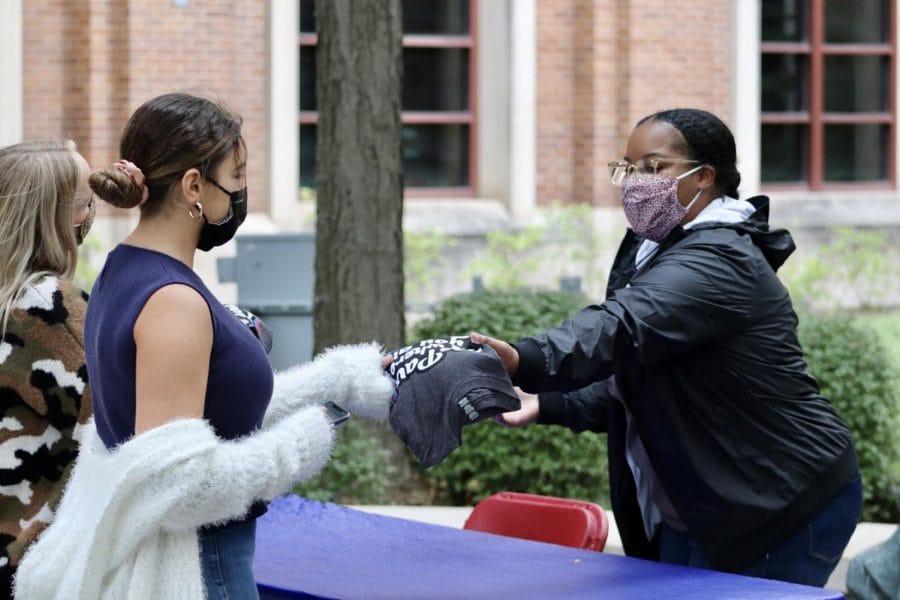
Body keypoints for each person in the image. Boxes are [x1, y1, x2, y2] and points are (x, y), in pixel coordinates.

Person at [14, 93, 393, 600]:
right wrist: (306, 438)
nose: (240, 192)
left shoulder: (126, 270)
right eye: (235, 178)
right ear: (194, 185)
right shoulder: (173, 300)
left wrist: (337, 378)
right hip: (198, 566)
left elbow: (217, 410)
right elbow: (180, 487)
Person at [472, 108, 862, 587]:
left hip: (778, 505)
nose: (636, 182)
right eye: (628, 167)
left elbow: (620, 328)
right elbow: (641, 374)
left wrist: (525, 359)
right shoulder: (656, 247)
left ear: (706, 177)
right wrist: (548, 403)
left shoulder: (720, 258)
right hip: (698, 506)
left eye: (654, 167)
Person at [0, 139, 95, 595]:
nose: (90, 214)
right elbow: (115, 421)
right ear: (56, 217)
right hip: (30, 561)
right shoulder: (50, 308)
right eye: (84, 202)